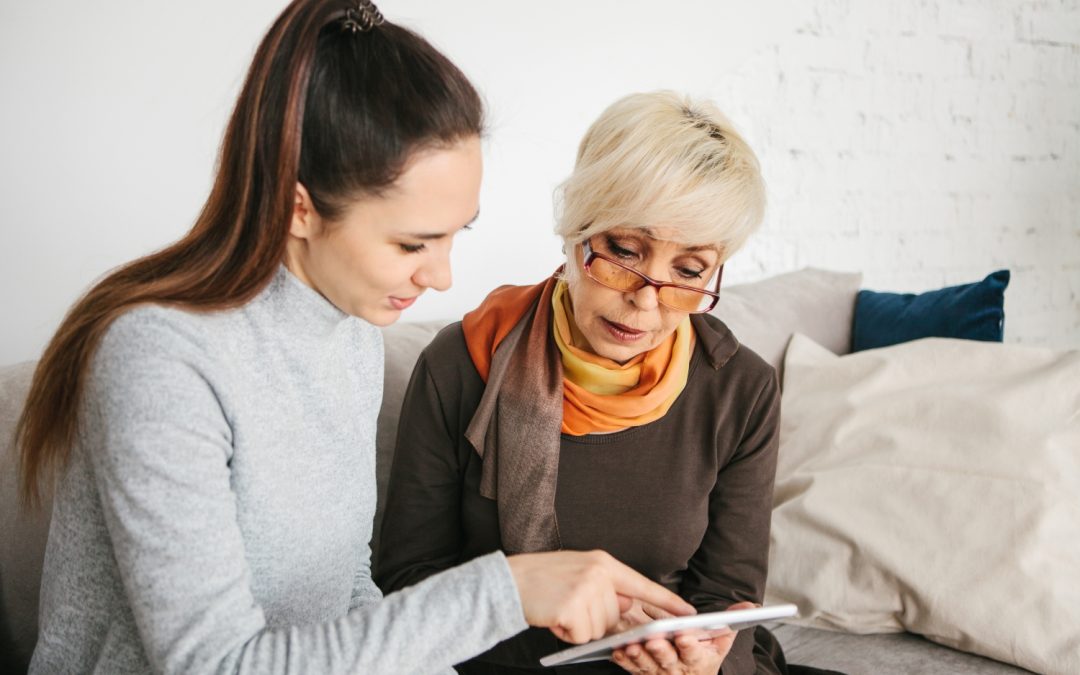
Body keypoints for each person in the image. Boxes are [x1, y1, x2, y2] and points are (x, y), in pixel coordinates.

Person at [15, 3, 696, 673]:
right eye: (412, 243)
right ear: (299, 208)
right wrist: (506, 591)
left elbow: (345, 595)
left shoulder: (351, 335)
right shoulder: (161, 359)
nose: (441, 275)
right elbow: (214, 665)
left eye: (456, 235)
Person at [375, 91, 805, 675]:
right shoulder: (461, 366)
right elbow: (407, 584)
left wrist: (703, 662)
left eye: (688, 270)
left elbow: (726, 599)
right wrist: (586, 631)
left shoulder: (741, 391)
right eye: (625, 252)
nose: (646, 301)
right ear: (576, 232)